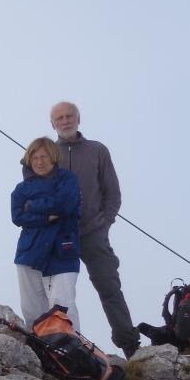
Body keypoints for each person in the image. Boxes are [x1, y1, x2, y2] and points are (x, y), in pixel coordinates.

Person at [49, 101, 139, 358]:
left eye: (69, 116)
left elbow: (113, 193)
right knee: (59, 295)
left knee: (109, 288)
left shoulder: (97, 150)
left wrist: (104, 224)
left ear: (79, 119)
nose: (65, 121)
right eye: (59, 118)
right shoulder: (46, 153)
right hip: (58, 236)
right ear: (52, 124)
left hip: (93, 233)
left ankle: (130, 348)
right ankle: (64, 353)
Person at [12, 137, 82, 330]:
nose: (39, 162)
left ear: (54, 158)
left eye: (44, 157)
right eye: (34, 157)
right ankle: (40, 351)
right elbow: (17, 216)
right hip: (29, 254)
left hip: (63, 252)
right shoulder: (21, 188)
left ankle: (72, 349)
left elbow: (64, 205)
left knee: (63, 305)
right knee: (32, 310)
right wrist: (45, 217)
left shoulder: (68, 179)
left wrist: (33, 205)